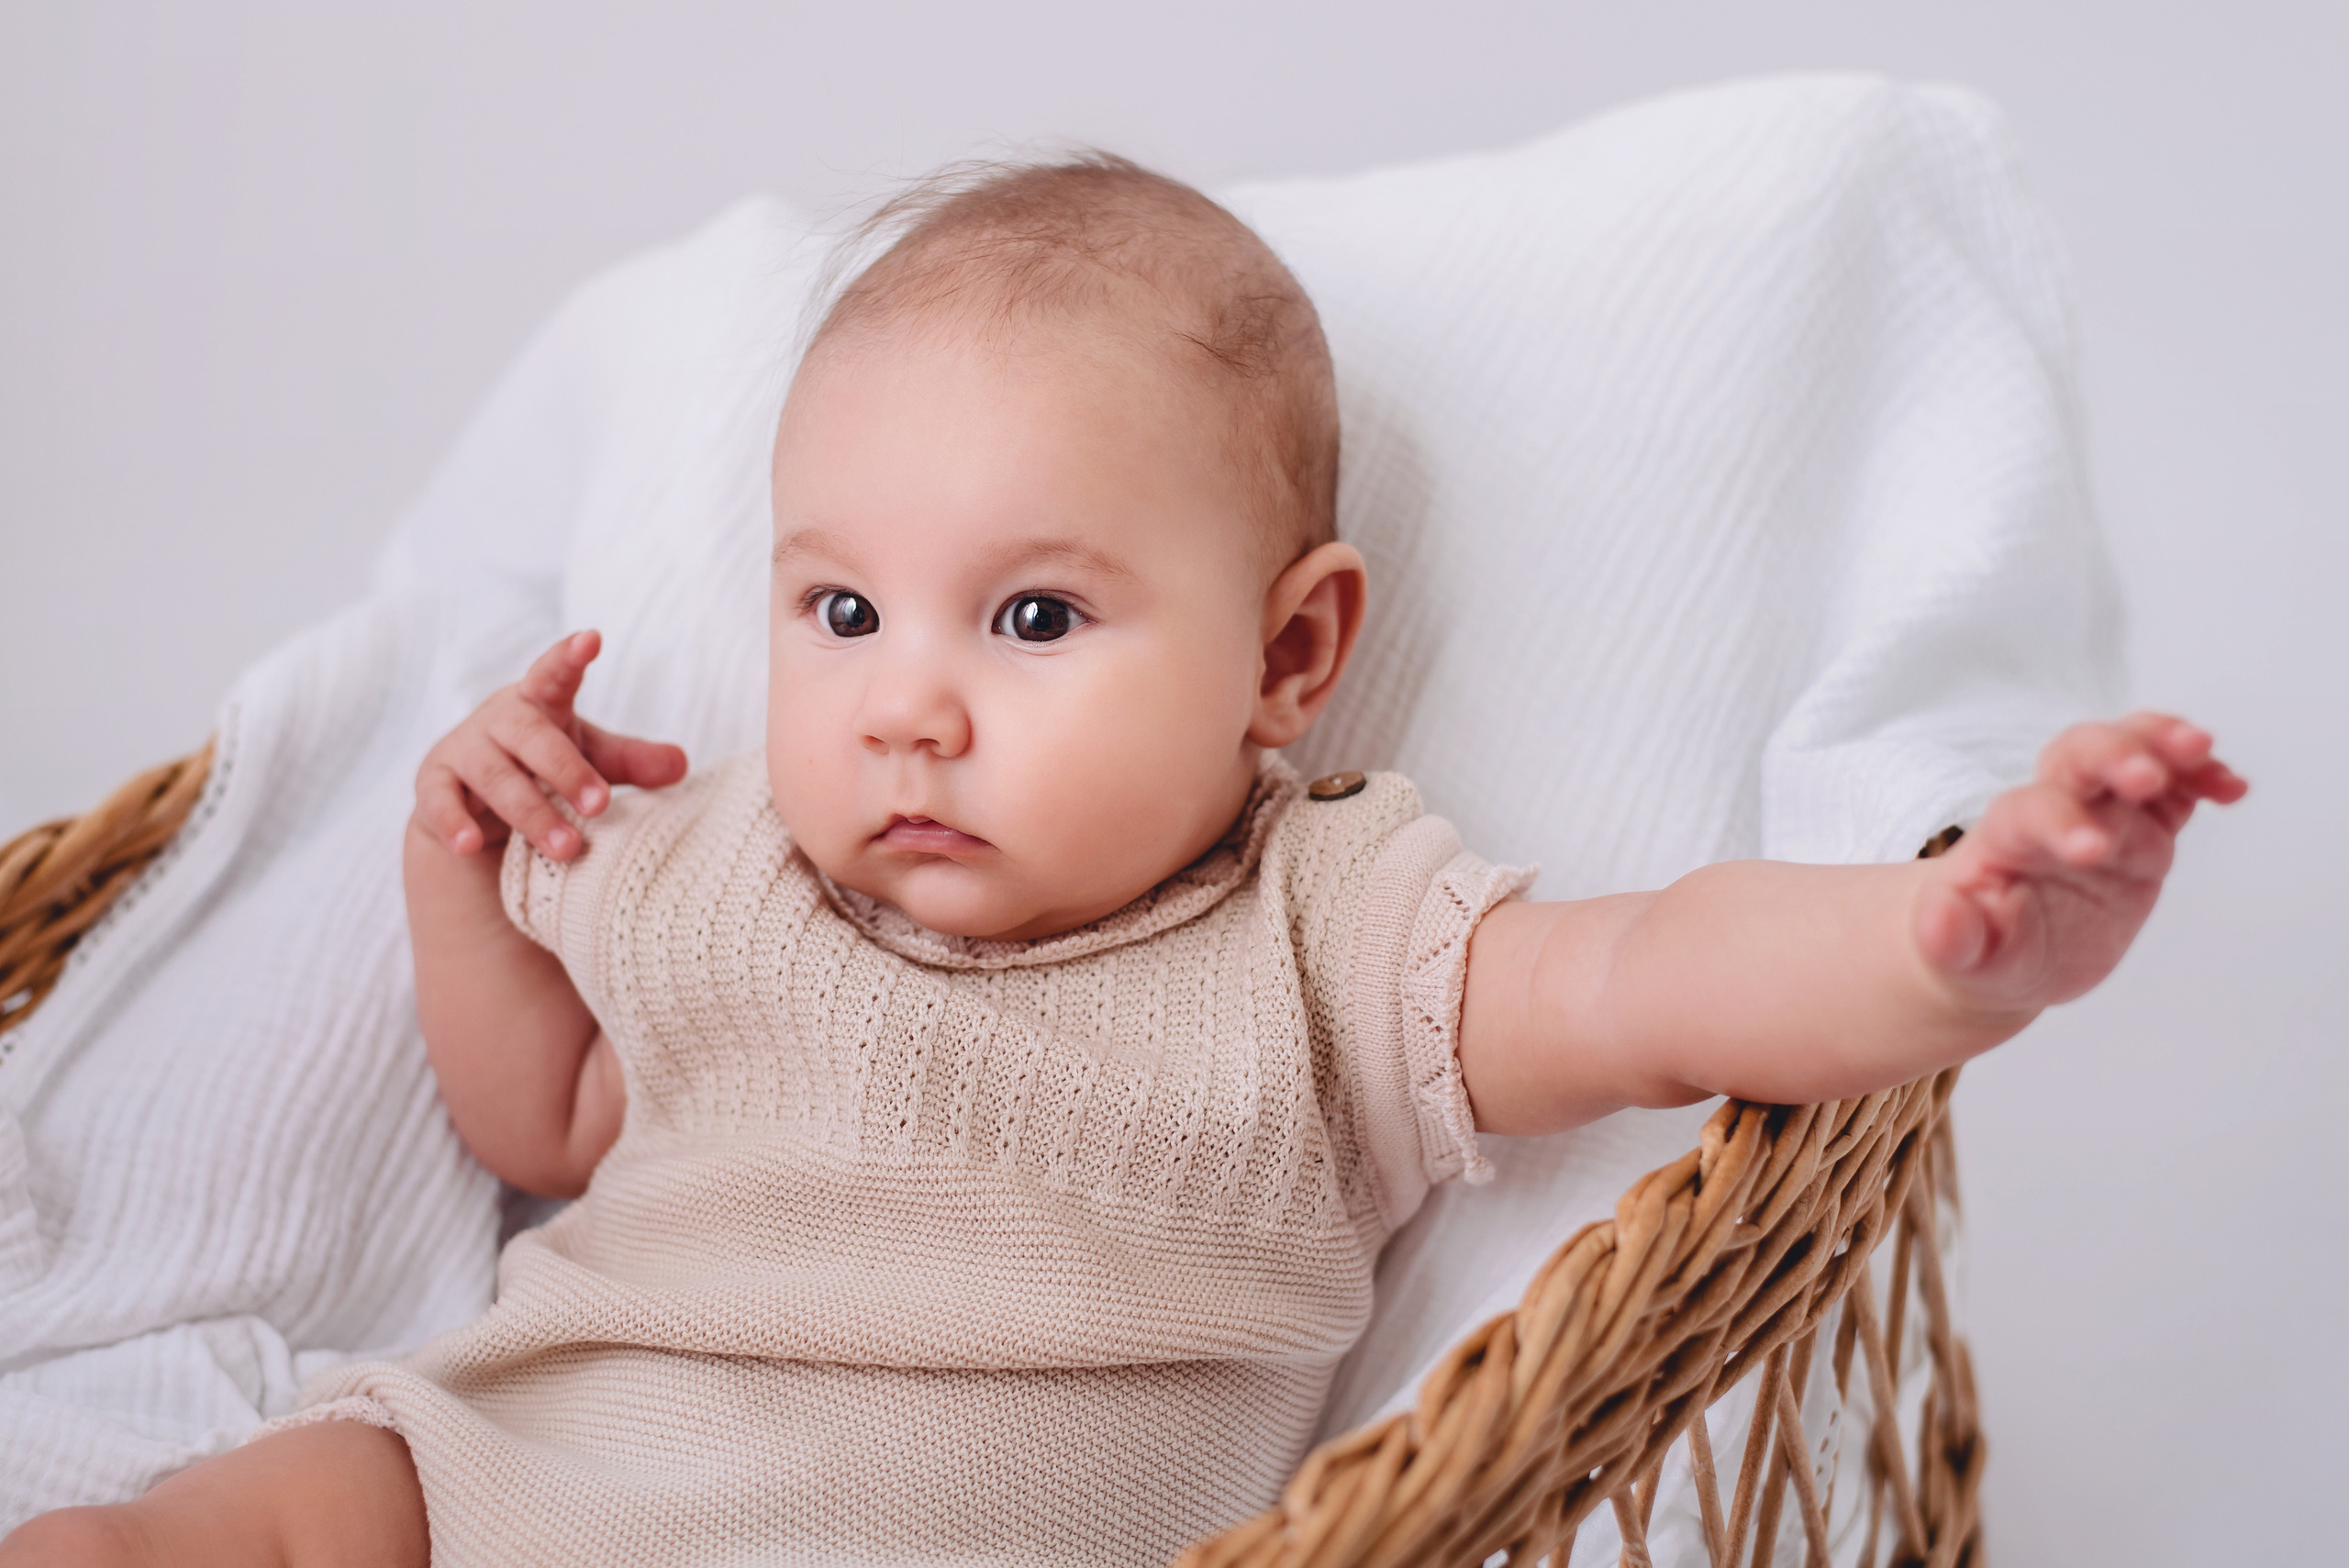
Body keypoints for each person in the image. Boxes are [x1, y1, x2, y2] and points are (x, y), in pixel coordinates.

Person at [0, 152, 2244, 1568]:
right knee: (228, 1524)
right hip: (519, 1474)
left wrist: (1937, 939)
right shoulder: (715, 866)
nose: (907, 702)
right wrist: (447, 867)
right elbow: (549, 1123)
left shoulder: (1324, 935)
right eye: (839, 610)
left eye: (1037, 617)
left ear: (1289, 654)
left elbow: (1654, 974)